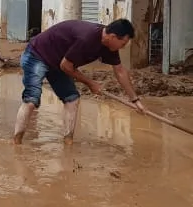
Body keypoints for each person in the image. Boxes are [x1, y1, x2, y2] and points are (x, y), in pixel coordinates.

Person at [12, 19, 144, 147]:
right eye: (123, 43)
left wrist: (135, 100)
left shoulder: (109, 46)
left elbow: (120, 71)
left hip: (59, 63)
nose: (123, 47)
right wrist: (90, 83)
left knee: (72, 99)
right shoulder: (87, 38)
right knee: (31, 100)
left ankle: (68, 142)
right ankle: (16, 144)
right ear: (113, 37)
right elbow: (66, 66)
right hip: (37, 55)